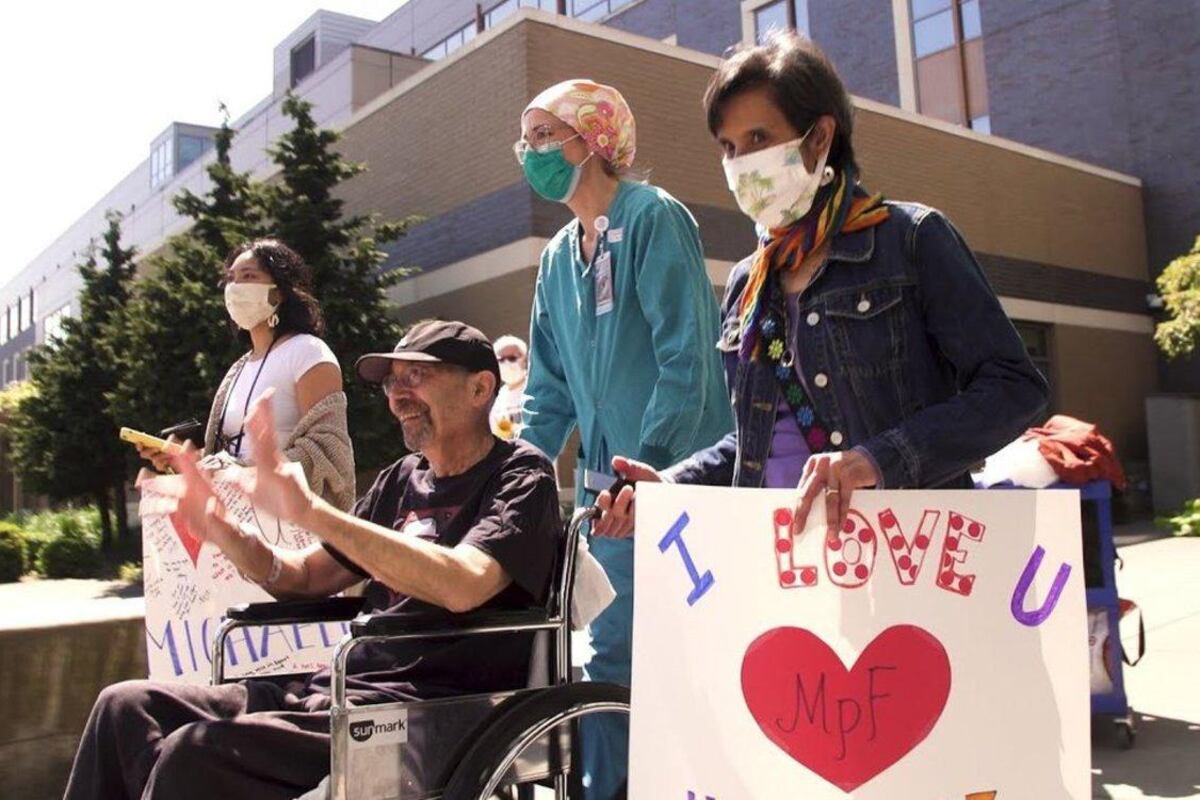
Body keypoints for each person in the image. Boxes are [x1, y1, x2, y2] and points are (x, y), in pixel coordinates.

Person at [65, 320, 563, 800]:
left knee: (193, 758)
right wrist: (224, 531)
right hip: (340, 690)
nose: (397, 393)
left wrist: (312, 511)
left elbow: (466, 584)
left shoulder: (520, 475)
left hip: (427, 709)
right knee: (126, 709)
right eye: (391, 382)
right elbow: (305, 577)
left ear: (480, 389)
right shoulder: (398, 480)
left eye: (417, 375)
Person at [594, 32, 1049, 541]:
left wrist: (874, 461)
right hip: (784, 567)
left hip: (908, 558)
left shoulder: (911, 239)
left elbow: (1015, 388)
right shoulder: (750, 281)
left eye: (759, 139)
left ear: (819, 138)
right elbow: (755, 440)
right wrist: (672, 484)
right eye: (729, 146)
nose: (742, 163)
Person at [515, 79, 734, 798]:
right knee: (608, 658)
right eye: (527, 138)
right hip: (605, 504)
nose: (531, 151)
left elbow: (687, 359)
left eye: (546, 134)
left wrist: (653, 470)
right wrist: (515, 477)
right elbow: (546, 394)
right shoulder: (555, 260)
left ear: (595, 138)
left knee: (669, 656)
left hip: (672, 486)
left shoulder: (652, 219)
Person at [136, 238, 355, 510]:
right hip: (239, 523)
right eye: (231, 279)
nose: (234, 287)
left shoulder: (308, 352)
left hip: (290, 526)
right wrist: (186, 461)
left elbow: (328, 449)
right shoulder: (237, 370)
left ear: (280, 291)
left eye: (248, 276)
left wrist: (244, 475)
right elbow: (232, 457)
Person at [490, 334, 529, 439]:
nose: (506, 363)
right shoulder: (498, 398)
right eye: (501, 360)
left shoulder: (534, 389)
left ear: (525, 359)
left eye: (512, 358)